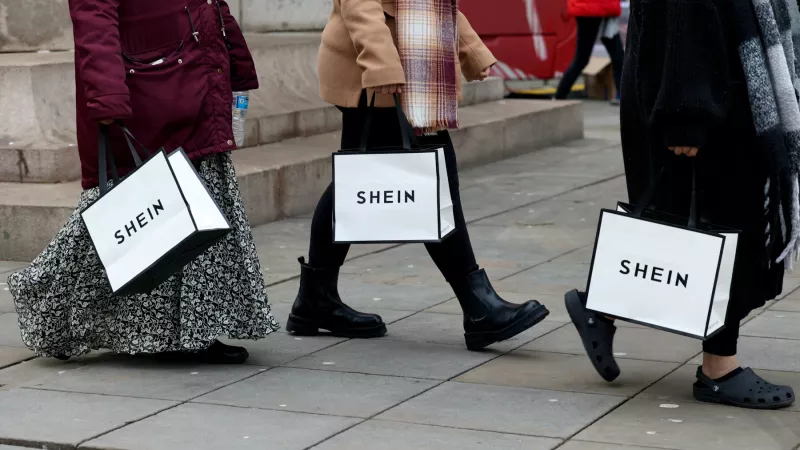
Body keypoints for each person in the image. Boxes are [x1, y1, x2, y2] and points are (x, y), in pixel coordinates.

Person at [7, 0, 279, 363]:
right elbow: (94, 19)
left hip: (193, 80)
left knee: (193, 219)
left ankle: (190, 333)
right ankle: (50, 310)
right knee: (133, 217)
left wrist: (236, 63)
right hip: (152, 92)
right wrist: (106, 96)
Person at [565, 0, 799, 408]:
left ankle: (600, 306)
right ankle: (718, 369)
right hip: (703, 109)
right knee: (726, 238)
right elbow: (684, 18)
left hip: (723, 102)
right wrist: (686, 115)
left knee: (696, 229)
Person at [286, 0, 550, 350]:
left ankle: (315, 300)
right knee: (432, 179)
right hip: (380, 73)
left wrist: (471, 48)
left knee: (358, 184)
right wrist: (379, 63)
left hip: (414, 69)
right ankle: (478, 305)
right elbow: (358, 3)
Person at [555, 0, 624, 101]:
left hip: (601, 8)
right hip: (593, 8)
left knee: (618, 58)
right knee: (582, 59)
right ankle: (559, 95)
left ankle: (625, 98)